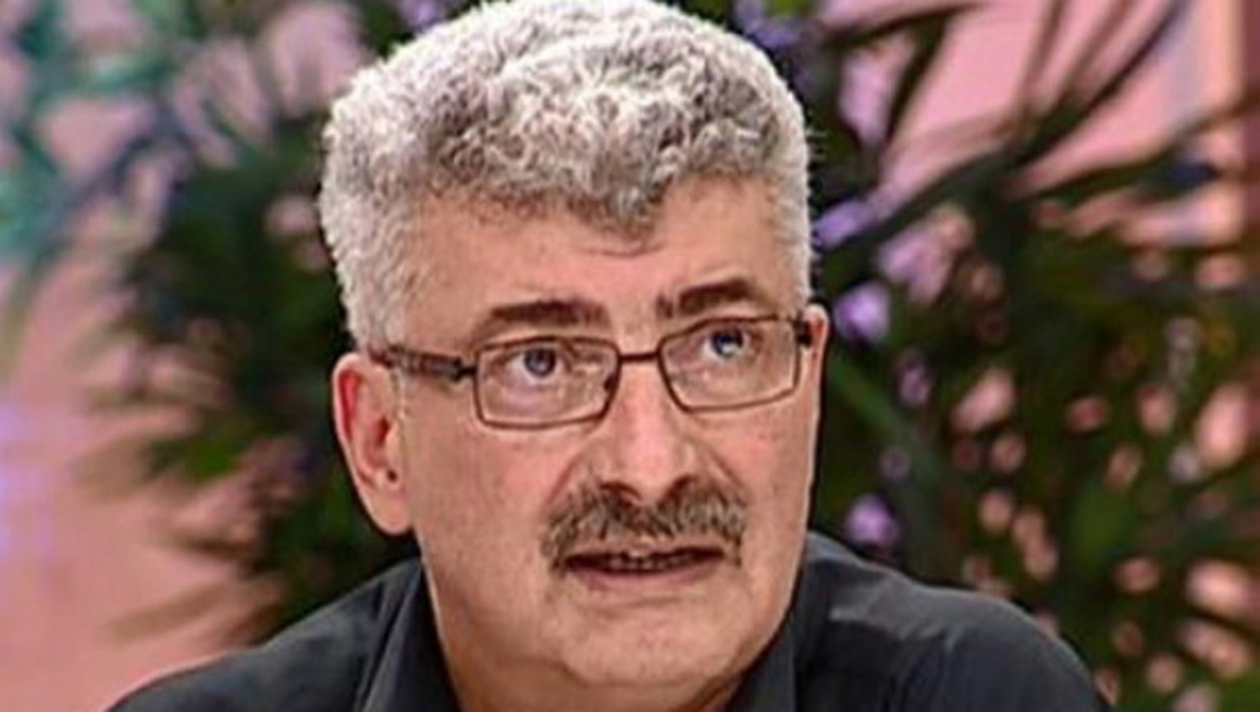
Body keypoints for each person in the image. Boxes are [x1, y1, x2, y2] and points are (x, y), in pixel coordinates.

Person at [111, 0, 1110, 710]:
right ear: (379, 441)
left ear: (808, 379)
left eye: (722, 344)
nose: (650, 466)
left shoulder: (977, 695)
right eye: (539, 363)